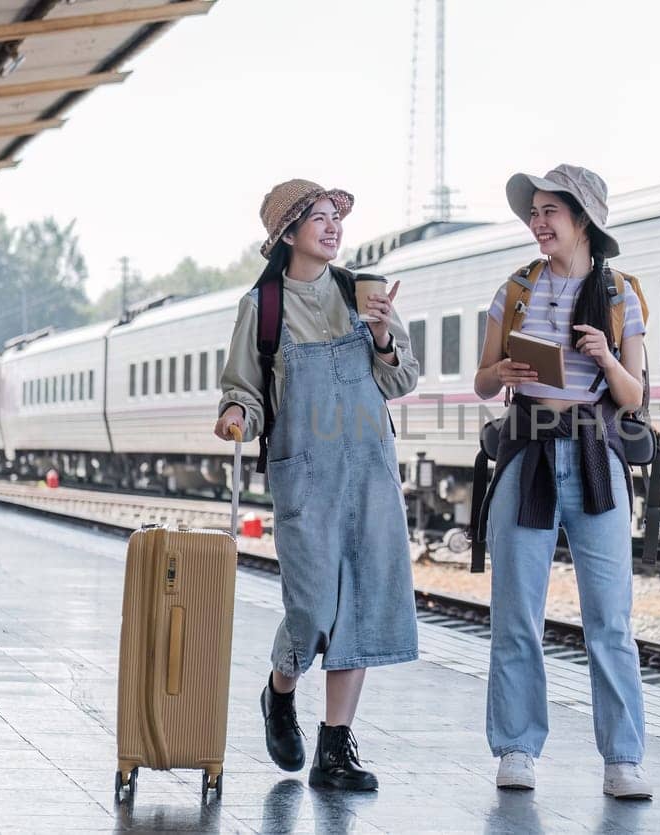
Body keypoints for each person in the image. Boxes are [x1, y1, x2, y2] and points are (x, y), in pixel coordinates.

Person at [215, 179, 420, 791]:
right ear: (288, 233)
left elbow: (403, 379)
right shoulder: (264, 306)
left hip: (369, 471)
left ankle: (335, 748)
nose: (333, 228)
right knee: (312, 608)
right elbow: (243, 390)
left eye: (337, 218)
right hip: (305, 474)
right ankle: (281, 691)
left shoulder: (364, 293)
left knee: (357, 607)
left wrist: (382, 335)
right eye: (319, 218)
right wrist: (236, 418)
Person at [472, 164, 652, 799]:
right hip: (527, 454)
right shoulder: (514, 290)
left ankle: (623, 759)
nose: (538, 222)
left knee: (610, 619)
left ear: (583, 221)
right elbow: (483, 383)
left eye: (551, 210)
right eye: (534, 211)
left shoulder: (620, 294)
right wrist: (505, 370)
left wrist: (604, 355)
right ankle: (517, 747)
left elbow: (632, 396)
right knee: (516, 613)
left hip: (597, 456)